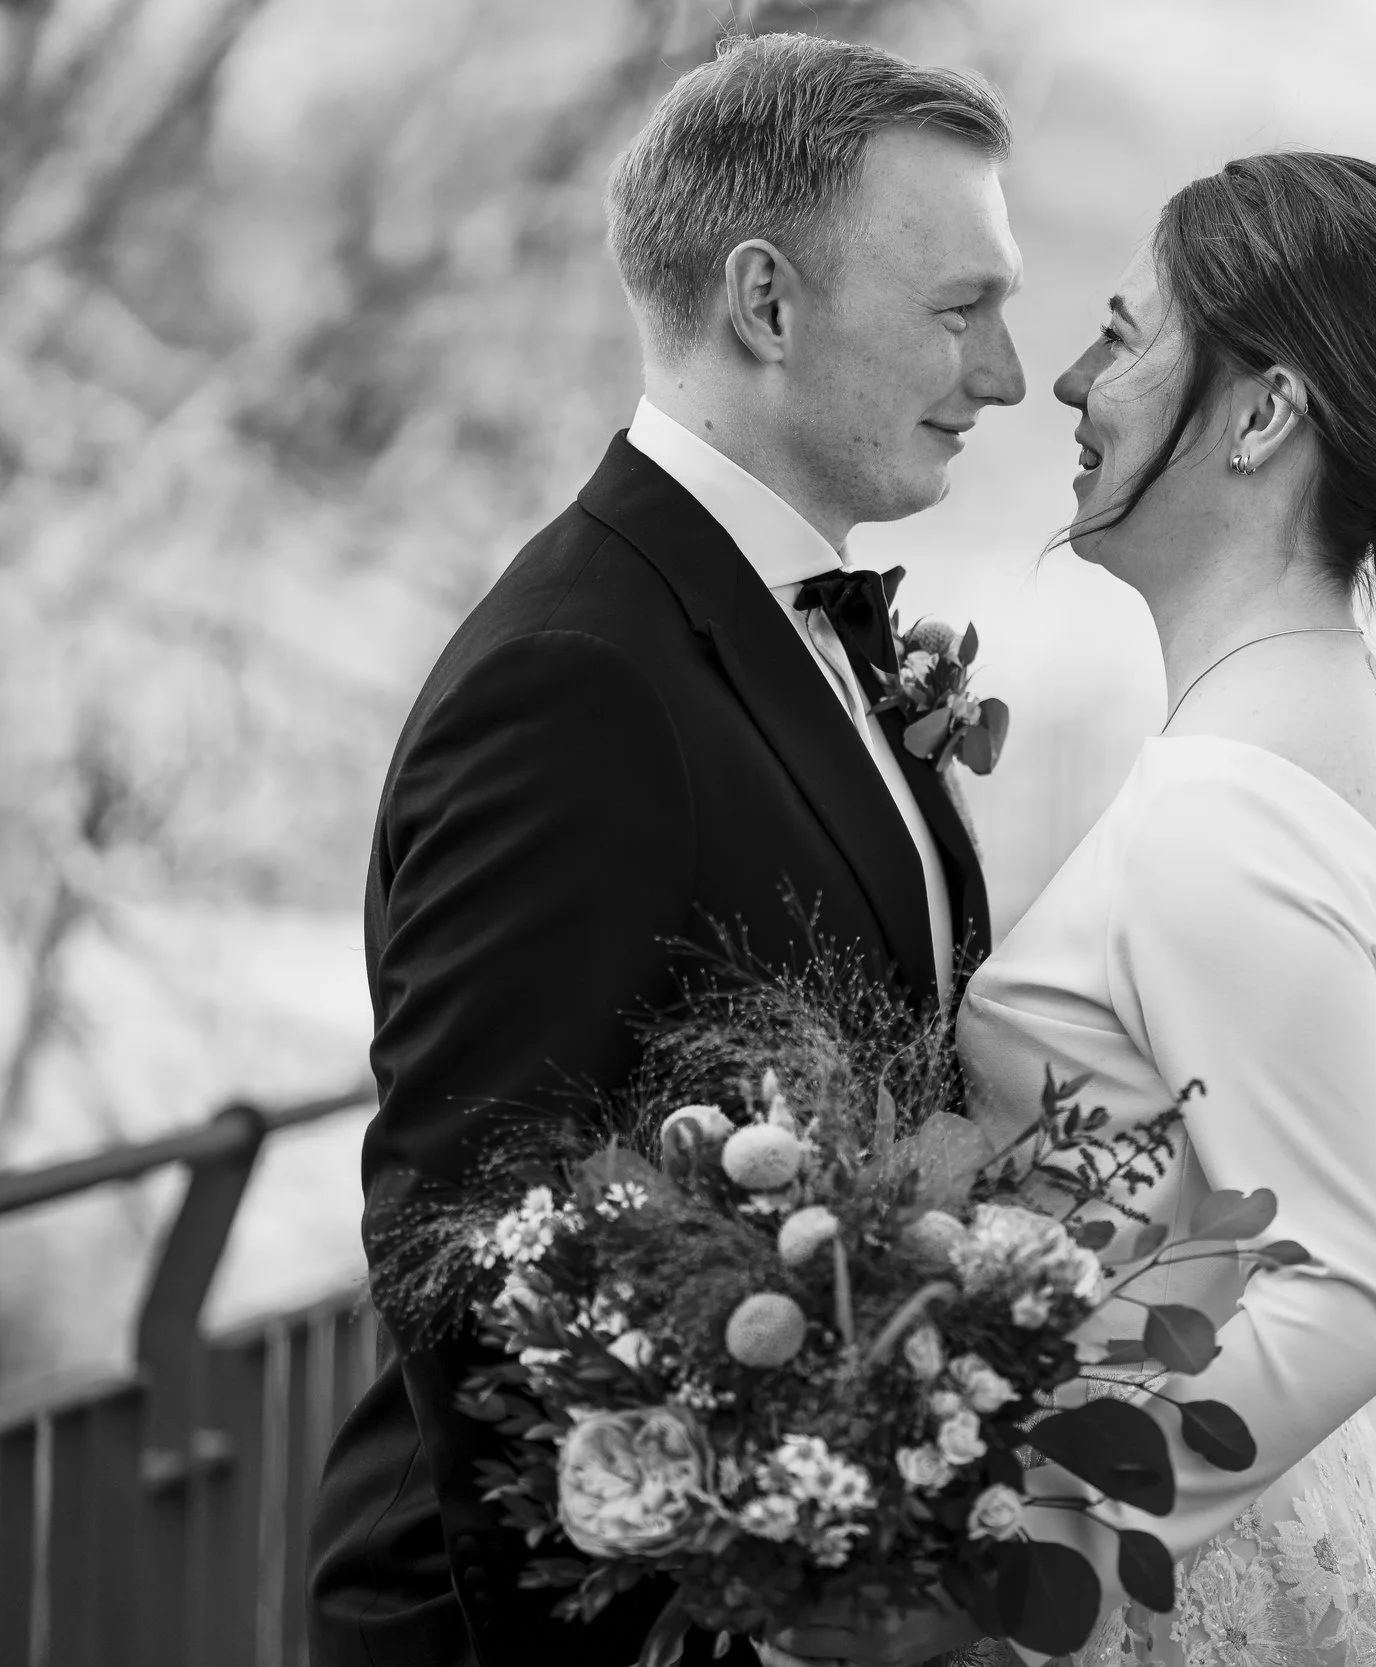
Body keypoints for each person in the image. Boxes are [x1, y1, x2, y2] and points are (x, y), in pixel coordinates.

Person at [306, 37, 1021, 1667]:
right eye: (959, 307)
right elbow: (467, 1247)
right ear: (766, 304)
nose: (1003, 374)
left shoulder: (792, 625)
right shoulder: (578, 678)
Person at [952, 150, 1376, 1667]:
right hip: (1264, 1514)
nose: (1071, 382)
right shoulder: (1348, 716)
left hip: (1154, 1562)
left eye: (1123, 336)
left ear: (1265, 413)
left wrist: (1023, 1564)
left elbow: (1347, 1297)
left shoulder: (1229, 806)